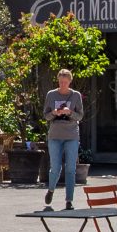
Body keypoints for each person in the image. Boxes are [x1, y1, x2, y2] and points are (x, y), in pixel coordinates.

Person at [42, 68, 85, 208]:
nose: (63, 85)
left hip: (71, 135)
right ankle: (51, 189)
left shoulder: (76, 95)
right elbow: (46, 116)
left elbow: (80, 116)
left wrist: (70, 112)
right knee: (55, 167)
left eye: (65, 82)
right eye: (60, 82)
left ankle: (69, 200)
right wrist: (54, 112)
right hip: (55, 135)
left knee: (71, 168)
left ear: (70, 81)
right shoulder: (51, 95)